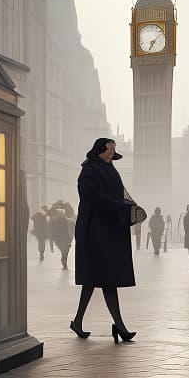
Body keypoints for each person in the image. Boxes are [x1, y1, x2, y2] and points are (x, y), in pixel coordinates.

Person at [70, 137, 136, 343]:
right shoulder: (89, 170)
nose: (111, 154)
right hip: (94, 232)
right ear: (99, 150)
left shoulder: (111, 170)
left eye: (113, 151)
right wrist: (118, 207)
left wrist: (127, 207)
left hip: (109, 230)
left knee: (99, 279)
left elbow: (119, 195)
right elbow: (89, 196)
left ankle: (79, 322)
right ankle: (119, 327)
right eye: (108, 150)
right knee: (104, 279)